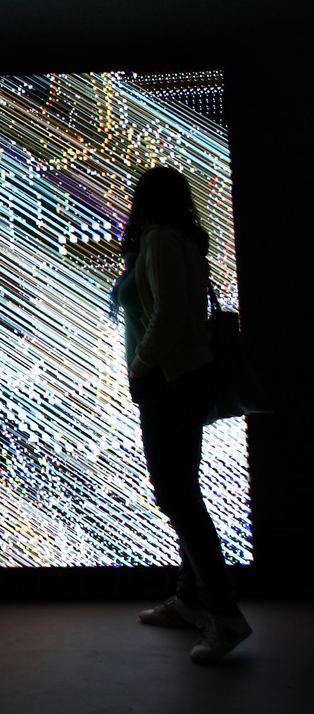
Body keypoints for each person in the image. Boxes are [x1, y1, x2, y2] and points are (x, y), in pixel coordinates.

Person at [112, 165, 251, 664]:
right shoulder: (177, 239)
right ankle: (191, 601)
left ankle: (224, 614)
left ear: (144, 200)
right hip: (179, 380)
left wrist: (142, 365)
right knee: (183, 492)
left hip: (169, 382)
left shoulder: (159, 241)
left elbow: (170, 314)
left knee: (175, 496)